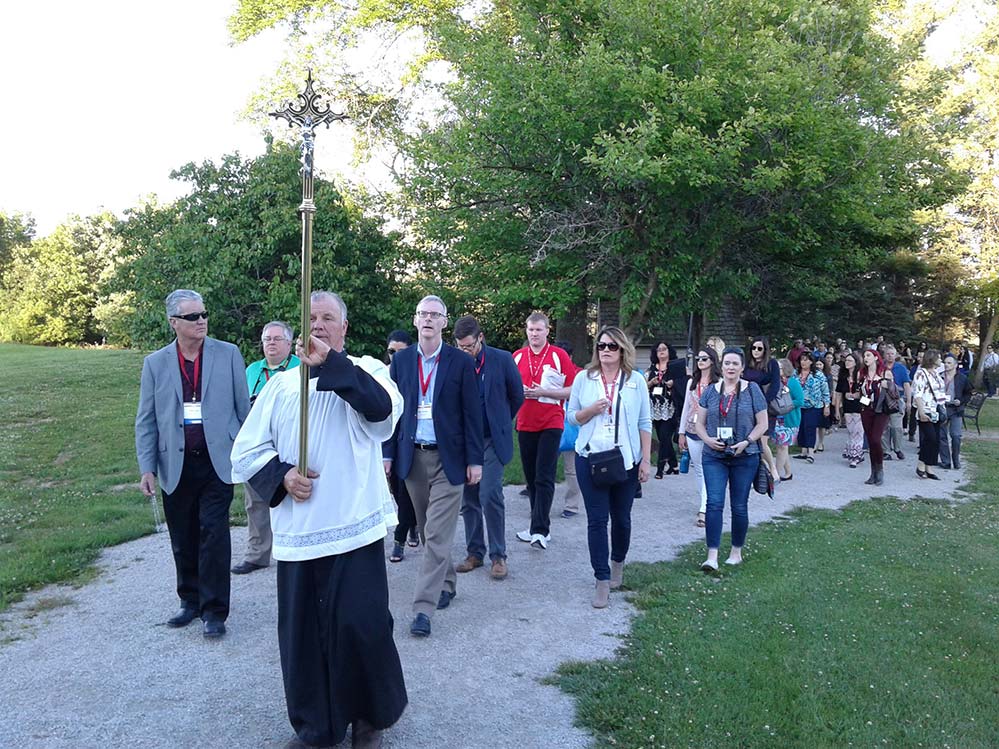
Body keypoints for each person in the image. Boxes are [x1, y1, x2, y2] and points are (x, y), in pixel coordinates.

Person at [231, 291, 407, 749]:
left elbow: (382, 413)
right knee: (303, 637)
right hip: (299, 534)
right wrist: (283, 476)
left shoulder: (367, 371)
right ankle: (315, 726)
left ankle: (368, 720)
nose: (320, 325)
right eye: (312, 318)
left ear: (344, 329)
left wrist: (332, 367)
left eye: (329, 318)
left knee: (363, 626)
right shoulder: (280, 387)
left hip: (355, 527)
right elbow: (245, 450)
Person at [135, 289, 250, 639]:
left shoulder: (228, 354)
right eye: (192, 317)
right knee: (183, 536)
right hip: (175, 464)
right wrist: (147, 466)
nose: (201, 321)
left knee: (214, 535)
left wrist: (248, 453)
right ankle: (189, 600)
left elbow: (243, 410)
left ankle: (214, 611)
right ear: (174, 323)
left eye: (203, 315)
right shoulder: (155, 364)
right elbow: (147, 419)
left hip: (217, 461)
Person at [383, 295, 483, 638]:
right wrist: (387, 453)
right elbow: (392, 412)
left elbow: (473, 414)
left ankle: (422, 608)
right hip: (412, 458)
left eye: (434, 315)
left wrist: (475, 460)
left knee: (437, 534)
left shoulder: (460, 363)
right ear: (415, 320)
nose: (428, 319)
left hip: (449, 459)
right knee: (427, 531)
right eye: (423, 314)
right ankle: (448, 582)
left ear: (444, 322)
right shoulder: (402, 361)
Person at [567, 327, 652, 608]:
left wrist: (646, 460)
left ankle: (617, 563)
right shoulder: (584, 378)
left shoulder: (635, 381)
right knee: (596, 520)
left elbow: (644, 422)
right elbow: (572, 418)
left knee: (622, 518)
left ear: (622, 350)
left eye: (612, 346)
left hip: (625, 461)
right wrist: (591, 409)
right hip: (591, 458)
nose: (605, 350)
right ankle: (601, 579)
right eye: (601, 345)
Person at [452, 315, 525, 580]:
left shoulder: (502, 359)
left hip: (493, 439)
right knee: (468, 499)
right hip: (465, 441)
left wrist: (501, 421)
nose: (466, 351)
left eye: (469, 346)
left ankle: (498, 556)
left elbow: (516, 395)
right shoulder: (454, 361)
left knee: (490, 493)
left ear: (480, 338)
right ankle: (475, 553)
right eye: (461, 346)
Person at [233, 321, 300, 576]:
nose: (270, 343)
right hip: (259, 444)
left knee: (293, 498)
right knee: (255, 501)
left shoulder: (299, 367)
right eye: (266, 339)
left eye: (276, 339)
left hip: (289, 442)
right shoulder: (252, 370)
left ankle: (293, 552)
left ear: (289, 343)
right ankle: (257, 554)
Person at [694, 347, 769, 571]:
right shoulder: (710, 391)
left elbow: (762, 423)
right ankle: (712, 556)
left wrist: (747, 441)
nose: (730, 367)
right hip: (714, 455)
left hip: (745, 456)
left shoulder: (752, 390)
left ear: (742, 367)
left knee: (738, 506)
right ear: (721, 366)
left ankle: (736, 552)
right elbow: (699, 422)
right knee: (714, 503)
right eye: (727, 363)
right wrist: (707, 440)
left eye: (735, 363)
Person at [512, 312, 574, 549]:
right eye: (531, 330)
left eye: (539, 330)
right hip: (525, 423)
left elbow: (572, 390)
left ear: (548, 331)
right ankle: (534, 526)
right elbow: (509, 389)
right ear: (526, 331)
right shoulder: (518, 357)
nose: (534, 334)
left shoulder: (558, 356)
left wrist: (545, 393)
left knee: (544, 475)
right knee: (531, 478)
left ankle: (541, 530)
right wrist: (521, 392)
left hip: (552, 421)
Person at [385, 330, 420, 562]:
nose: (395, 356)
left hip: (412, 440)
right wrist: (386, 453)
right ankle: (412, 523)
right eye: (391, 352)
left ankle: (399, 538)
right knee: (398, 491)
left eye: (401, 352)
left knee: (408, 491)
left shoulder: (418, 372)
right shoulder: (381, 373)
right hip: (391, 438)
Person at [678, 346, 720, 527]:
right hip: (691, 429)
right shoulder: (692, 383)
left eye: (704, 359)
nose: (700, 362)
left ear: (712, 361)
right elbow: (685, 408)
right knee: (699, 468)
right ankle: (705, 502)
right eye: (698, 359)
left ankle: (704, 508)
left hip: (710, 431)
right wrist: (681, 432)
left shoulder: (718, 383)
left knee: (709, 467)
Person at [744, 336, 781, 481]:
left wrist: (762, 405)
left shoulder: (771, 364)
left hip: (765, 407)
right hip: (747, 406)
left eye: (759, 348)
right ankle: (759, 472)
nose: (756, 351)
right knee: (751, 440)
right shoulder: (747, 364)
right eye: (753, 348)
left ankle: (773, 469)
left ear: (765, 350)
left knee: (762, 441)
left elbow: (775, 386)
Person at [554, 339, 583, 518]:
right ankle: (541, 503)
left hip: (570, 424)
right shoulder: (548, 371)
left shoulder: (579, 374)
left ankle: (572, 505)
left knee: (571, 468)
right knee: (545, 467)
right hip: (549, 423)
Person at [646, 341, 683, 477]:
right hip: (655, 406)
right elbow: (645, 385)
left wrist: (674, 383)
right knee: (663, 438)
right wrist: (652, 382)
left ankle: (660, 469)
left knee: (666, 437)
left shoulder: (675, 367)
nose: (661, 351)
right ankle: (673, 464)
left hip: (670, 407)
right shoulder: (651, 368)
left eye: (664, 349)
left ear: (669, 351)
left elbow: (684, 382)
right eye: (658, 350)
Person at [857, 348, 893, 486]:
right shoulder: (862, 375)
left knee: (876, 439)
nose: (866, 358)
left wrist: (888, 385)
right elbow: (860, 394)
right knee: (871, 441)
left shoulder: (885, 373)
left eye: (868, 355)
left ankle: (880, 469)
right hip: (867, 409)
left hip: (881, 410)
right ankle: (873, 472)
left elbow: (894, 392)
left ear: (876, 358)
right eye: (864, 356)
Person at [912, 350, 946, 480]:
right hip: (925, 410)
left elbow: (940, 392)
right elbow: (918, 394)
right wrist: (920, 411)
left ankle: (929, 467)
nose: (941, 360)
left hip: (936, 410)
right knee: (930, 437)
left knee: (935, 439)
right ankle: (921, 463)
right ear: (932, 359)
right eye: (939, 358)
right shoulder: (921, 373)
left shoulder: (937, 374)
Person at [938, 353, 973, 470]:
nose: (946, 365)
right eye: (945, 363)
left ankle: (956, 459)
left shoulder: (962, 378)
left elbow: (969, 393)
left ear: (955, 365)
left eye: (949, 363)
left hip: (956, 409)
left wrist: (961, 401)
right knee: (942, 435)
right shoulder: (939, 376)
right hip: (942, 408)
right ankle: (946, 461)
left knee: (956, 435)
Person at [793, 352, 829, 464]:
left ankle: (811, 452)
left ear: (811, 361)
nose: (803, 362)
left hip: (814, 405)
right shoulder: (795, 374)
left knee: (810, 426)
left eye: (806, 360)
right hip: (799, 405)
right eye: (802, 360)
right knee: (801, 427)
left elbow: (825, 391)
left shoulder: (818, 375)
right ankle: (803, 451)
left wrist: (826, 406)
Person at [773, 358, 804, 481]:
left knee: (782, 446)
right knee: (781, 446)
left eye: (779, 368)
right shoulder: (775, 382)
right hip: (776, 418)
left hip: (790, 419)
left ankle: (775, 474)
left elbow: (800, 400)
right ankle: (788, 473)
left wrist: (786, 404)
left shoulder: (793, 382)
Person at [880, 344, 911, 462]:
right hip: (882, 399)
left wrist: (908, 401)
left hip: (897, 400)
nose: (889, 356)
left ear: (896, 355)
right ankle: (886, 451)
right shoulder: (880, 367)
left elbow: (906, 384)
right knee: (883, 427)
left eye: (892, 354)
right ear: (884, 355)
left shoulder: (901, 368)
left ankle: (898, 448)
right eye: (887, 353)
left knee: (896, 426)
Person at [836, 352, 865, 468]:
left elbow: (868, 393)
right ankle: (853, 452)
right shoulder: (843, 377)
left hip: (860, 407)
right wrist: (837, 410)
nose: (847, 363)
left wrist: (859, 396)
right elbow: (838, 393)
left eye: (850, 361)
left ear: (855, 363)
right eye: (846, 361)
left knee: (858, 431)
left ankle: (855, 456)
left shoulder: (862, 376)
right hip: (848, 407)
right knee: (851, 431)